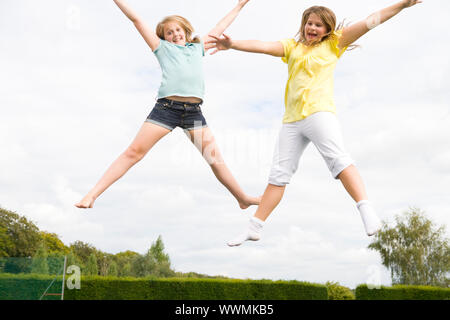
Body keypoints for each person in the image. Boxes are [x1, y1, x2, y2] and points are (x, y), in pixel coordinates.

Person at [206, 0, 422, 246]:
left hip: (320, 114)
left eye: (318, 25)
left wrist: (403, 5)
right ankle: (254, 227)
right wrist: (232, 44)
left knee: (339, 161)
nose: (312, 27)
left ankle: (366, 210)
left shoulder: (335, 43)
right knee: (278, 175)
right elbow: (264, 46)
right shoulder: (292, 47)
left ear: (327, 29)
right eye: (309, 23)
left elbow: (372, 19)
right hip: (292, 121)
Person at [75, 0, 261, 210]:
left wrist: (239, 6)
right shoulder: (161, 48)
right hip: (166, 109)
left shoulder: (197, 47)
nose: (175, 35)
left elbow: (221, 26)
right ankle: (91, 195)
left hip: (193, 113)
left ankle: (242, 199)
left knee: (215, 159)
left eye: (177, 30)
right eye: (169, 33)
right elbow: (136, 20)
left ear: (185, 30)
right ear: (164, 37)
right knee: (134, 152)